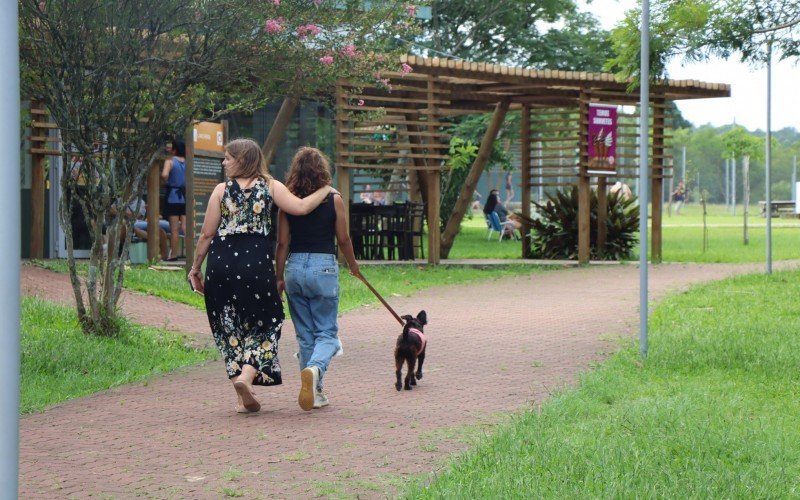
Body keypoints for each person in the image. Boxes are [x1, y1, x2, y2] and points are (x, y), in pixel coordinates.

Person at [187, 138, 335, 414]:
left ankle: (239, 385)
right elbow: (301, 208)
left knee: (226, 324)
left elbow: (207, 234)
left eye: (228, 158)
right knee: (267, 321)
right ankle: (246, 375)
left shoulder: (221, 190)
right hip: (255, 265)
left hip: (221, 265)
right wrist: (326, 188)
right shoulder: (270, 186)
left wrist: (196, 268)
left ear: (242, 159)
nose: (224, 162)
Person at [275, 147, 362, 411]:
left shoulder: (287, 200)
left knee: (305, 336)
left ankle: (316, 390)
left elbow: (282, 243)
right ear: (322, 170)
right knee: (327, 334)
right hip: (324, 266)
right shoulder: (333, 199)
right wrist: (353, 264)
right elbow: (343, 239)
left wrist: (278, 277)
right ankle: (315, 369)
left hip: (295, 267)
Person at [161, 140, 187, 260]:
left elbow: (164, 175)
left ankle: (174, 254)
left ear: (174, 149)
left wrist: (165, 182)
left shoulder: (170, 160)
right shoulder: (188, 162)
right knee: (186, 227)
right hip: (184, 196)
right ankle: (192, 253)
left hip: (173, 196)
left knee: (174, 228)